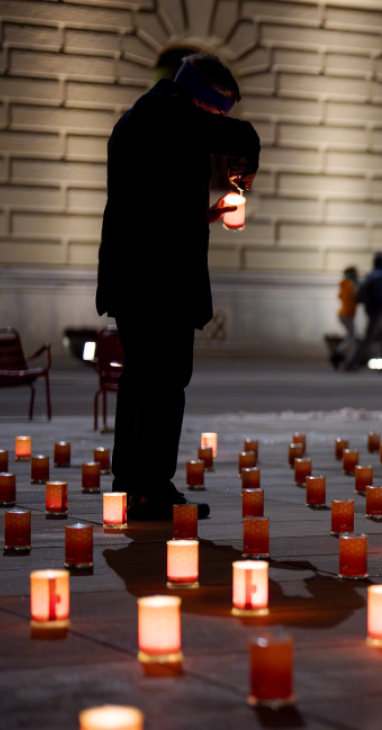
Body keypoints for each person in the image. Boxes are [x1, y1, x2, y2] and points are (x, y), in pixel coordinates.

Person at [97, 53, 260, 521]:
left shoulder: (144, 117)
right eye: (219, 107)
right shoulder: (167, 112)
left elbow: (150, 201)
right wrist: (242, 170)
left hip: (137, 275)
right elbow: (243, 136)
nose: (218, 118)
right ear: (203, 96)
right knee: (163, 384)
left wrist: (201, 215)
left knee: (142, 380)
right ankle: (149, 489)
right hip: (158, 281)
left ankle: (132, 484)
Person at [350, 252, 382, 371]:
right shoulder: (378, 276)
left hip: (373, 312)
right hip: (375, 313)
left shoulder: (372, 276)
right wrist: (381, 311)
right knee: (369, 340)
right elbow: (379, 296)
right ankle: (351, 364)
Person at [335, 265, 359, 367]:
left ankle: (340, 353)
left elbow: (340, 296)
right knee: (352, 338)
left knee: (350, 337)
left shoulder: (343, 283)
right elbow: (355, 296)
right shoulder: (350, 283)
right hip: (347, 314)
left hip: (344, 313)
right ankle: (342, 355)